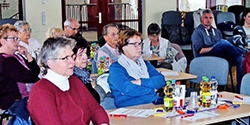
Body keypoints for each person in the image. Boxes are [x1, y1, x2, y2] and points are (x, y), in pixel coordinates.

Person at [28, 37, 109, 125]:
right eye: (65, 58)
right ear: (50, 63)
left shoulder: (74, 81)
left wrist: (103, 123)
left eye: (72, 56)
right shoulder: (41, 91)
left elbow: (95, 109)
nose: (72, 62)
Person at [191, 9, 246, 92]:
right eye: (206, 17)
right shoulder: (197, 32)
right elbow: (200, 50)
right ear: (201, 19)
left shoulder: (217, 31)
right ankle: (246, 52)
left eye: (210, 18)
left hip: (220, 56)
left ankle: (240, 88)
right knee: (223, 43)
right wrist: (217, 47)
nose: (208, 20)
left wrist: (221, 47)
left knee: (241, 59)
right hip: (205, 56)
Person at [108, 29, 165, 108]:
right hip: (131, 109)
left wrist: (140, 81)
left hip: (154, 104)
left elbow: (161, 80)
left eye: (140, 44)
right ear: (124, 47)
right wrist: (152, 90)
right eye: (135, 44)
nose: (139, 48)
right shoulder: (116, 68)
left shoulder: (145, 64)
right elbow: (128, 89)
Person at [0, 24, 40, 110]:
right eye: (14, 38)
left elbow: (36, 71)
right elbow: (31, 78)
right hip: (13, 103)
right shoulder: (5, 61)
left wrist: (27, 54)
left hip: (23, 99)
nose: (17, 41)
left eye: (17, 38)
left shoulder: (16, 56)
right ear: (3, 41)